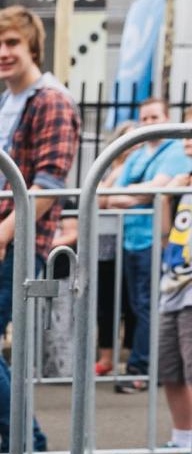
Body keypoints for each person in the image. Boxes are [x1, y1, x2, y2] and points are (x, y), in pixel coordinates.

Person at [0, 4, 80, 454]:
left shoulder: (51, 100)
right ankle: (28, 442)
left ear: (33, 48)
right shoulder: (4, 103)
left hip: (11, 243)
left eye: (12, 43)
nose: (2, 53)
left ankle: (23, 449)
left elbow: (49, 185)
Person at [99, 97, 192, 393]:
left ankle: (141, 367)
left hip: (160, 245)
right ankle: (147, 367)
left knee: (150, 307)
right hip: (135, 239)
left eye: (155, 118)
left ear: (167, 119)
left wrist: (136, 193)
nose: (150, 124)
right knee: (140, 306)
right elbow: (106, 196)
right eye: (145, 119)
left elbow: (153, 192)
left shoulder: (175, 150)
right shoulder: (138, 153)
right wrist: (137, 192)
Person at [135, 114, 192, 454]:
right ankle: (181, 440)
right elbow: (164, 232)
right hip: (173, 285)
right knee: (170, 369)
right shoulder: (183, 182)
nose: (186, 140)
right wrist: (168, 197)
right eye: (184, 133)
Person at [94, 123, 137, 378]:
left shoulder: (143, 167)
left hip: (132, 242)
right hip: (107, 246)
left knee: (132, 305)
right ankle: (106, 357)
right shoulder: (113, 168)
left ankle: (132, 357)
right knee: (106, 304)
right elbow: (100, 198)